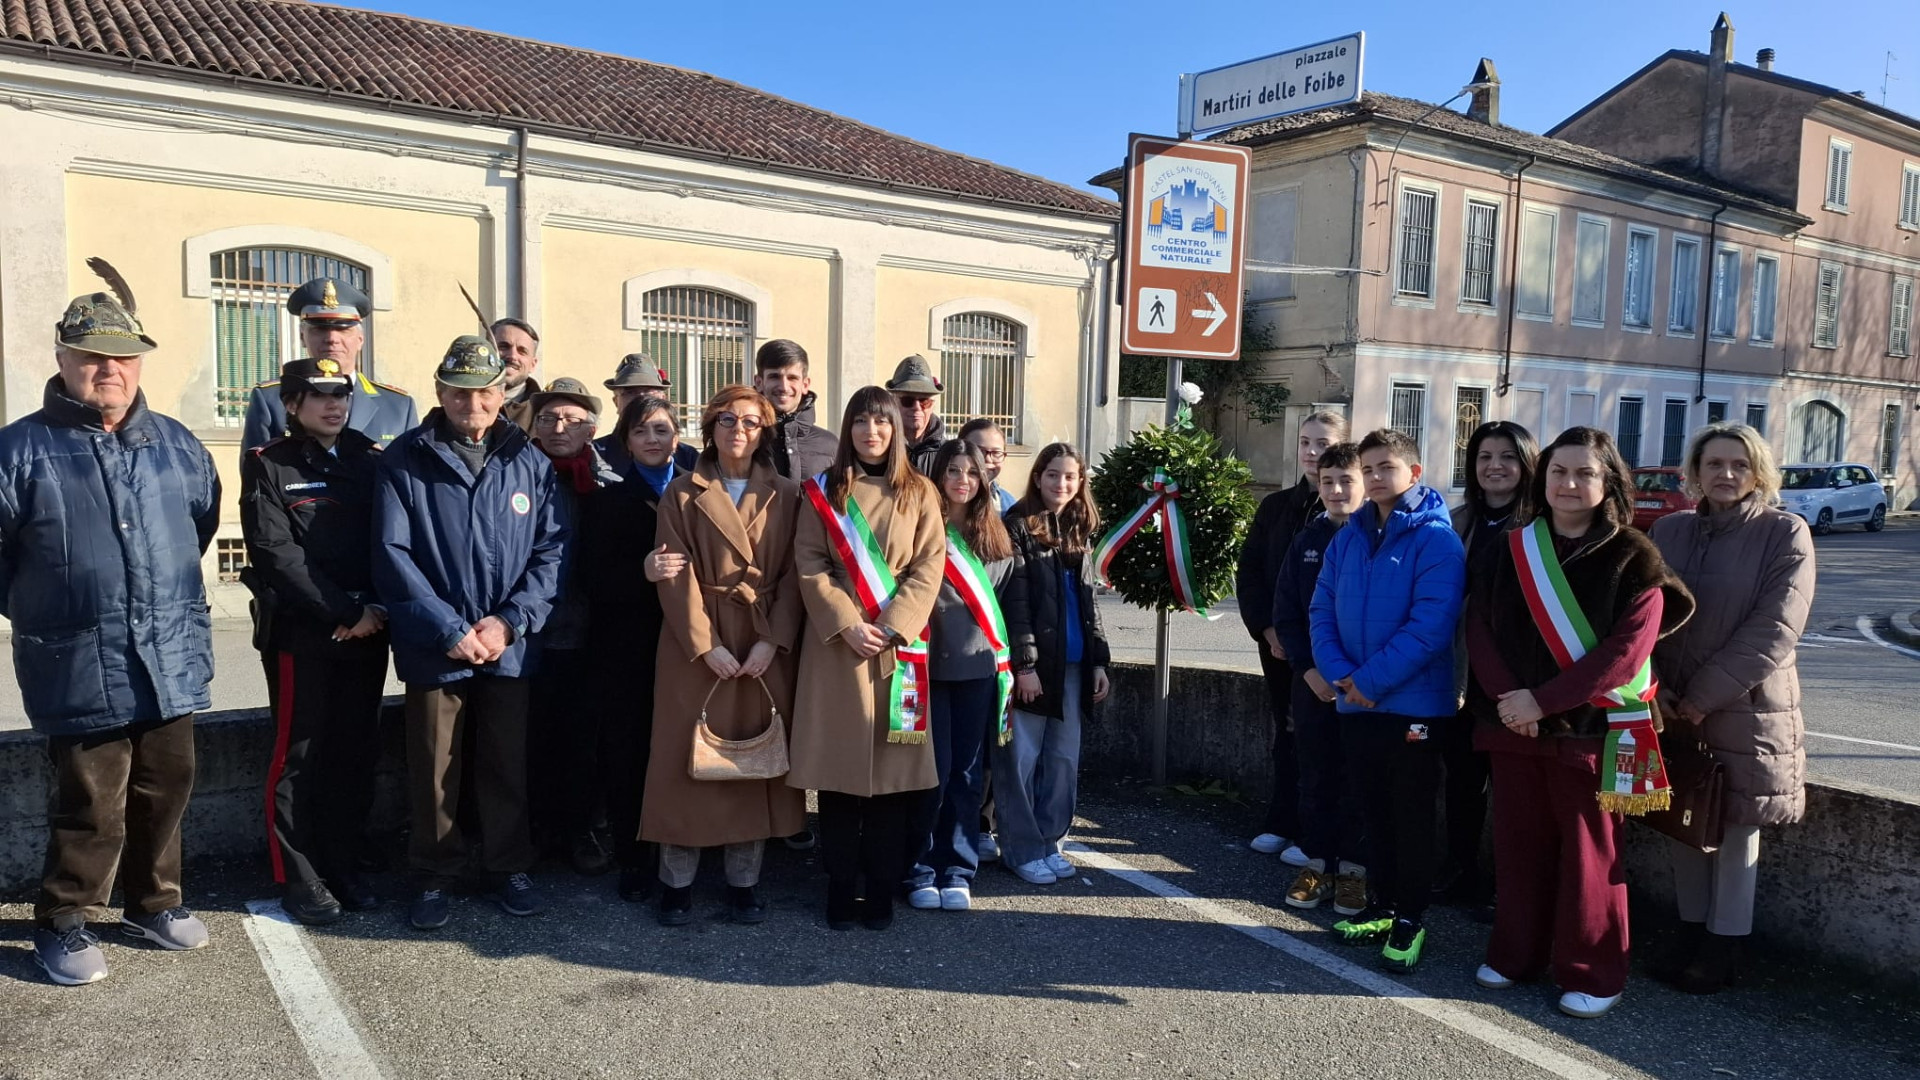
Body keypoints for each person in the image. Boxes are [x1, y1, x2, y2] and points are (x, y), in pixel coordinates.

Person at [7, 263, 220, 985]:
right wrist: (51, 605)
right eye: (92, 355)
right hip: (79, 658)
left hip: (170, 651)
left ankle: (153, 903)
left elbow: (200, 522)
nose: (109, 369)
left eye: (123, 356)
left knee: (169, 783)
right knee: (91, 801)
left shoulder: (177, 444)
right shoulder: (19, 451)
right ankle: (62, 922)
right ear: (62, 359)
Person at [1467, 426, 1693, 1019]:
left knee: (1593, 857)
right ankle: (1516, 954)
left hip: (1595, 730)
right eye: (1559, 471)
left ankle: (1593, 971)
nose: (1569, 483)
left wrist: (1543, 703)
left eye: (1585, 473)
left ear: (1608, 481)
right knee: (1518, 848)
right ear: (1542, 480)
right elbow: (1479, 629)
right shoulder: (1507, 549)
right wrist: (1510, 701)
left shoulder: (1635, 557)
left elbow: (1625, 651)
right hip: (1513, 725)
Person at [373, 335, 568, 932]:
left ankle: (508, 864)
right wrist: (450, 629)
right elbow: (391, 554)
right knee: (435, 768)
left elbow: (552, 551)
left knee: (506, 761)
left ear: (502, 394)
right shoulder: (404, 459)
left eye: (485, 392)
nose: (473, 404)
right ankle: (435, 874)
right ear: (440, 392)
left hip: (508, 644)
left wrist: (509, 623)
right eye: (460, 393)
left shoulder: (529, 460)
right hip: (437, 647)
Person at [1649, 422, 1814, 995]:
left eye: (1738, 465)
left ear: (1759, 471)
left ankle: (1724, 945)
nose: (1725, 475)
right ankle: (1689, 930)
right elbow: (1644, 616)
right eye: (1713, 463)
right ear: (1694, 470)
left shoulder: (1784, 532)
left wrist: (1698, 697)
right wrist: (1657, 687)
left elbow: (1774, 630)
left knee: (1738, 827)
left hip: (1748, 708)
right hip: (1671, 706)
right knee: (1682, 821)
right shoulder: (1668, 530)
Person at [639, 386, 807, 925]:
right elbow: (674, 572)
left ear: (765, 432)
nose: (739, 430)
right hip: (696, 643)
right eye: (728, 420)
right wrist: (703, 643)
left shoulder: (787, 493)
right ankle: (676, 884)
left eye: (752, 422)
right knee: (683, 760)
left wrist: (771, 640)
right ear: (711, 426)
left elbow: (795, 577)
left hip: (760, 640)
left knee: (749, 759)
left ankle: (743, 882)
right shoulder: (683, 493)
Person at [239, 358, 390, 926]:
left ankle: (343, 862)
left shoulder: (369, 460)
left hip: (368, 630)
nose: (333, 404)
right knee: (298, 755)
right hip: (305, 634)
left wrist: (373, 609)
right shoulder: (270, 465)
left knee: (355, 750)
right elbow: (278, 554)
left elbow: (391, 539)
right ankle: (298, 875)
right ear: (293, 405)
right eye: (318, 395)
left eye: (341, 394)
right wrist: (347, 610)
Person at [789, 386, 945, 931]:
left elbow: (929, 566)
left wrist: (892, 625)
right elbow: (810, 563)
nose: (871, 432)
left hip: (899, 652)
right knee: (837, 783)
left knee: (891, 786)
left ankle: (879, 889)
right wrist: (846, 623)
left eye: (881, 423)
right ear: (848, 429)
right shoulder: (821, 493)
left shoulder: (921, 492)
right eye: (860, 421)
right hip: (839, 653)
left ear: (895, 431)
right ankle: (838, 888)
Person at [1308, 428, 1464, 973]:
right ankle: (1381, 904)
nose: (1374, 478)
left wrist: (1366, 682)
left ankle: (1410, 918)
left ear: (1414, 474)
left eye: (1385, 468)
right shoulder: (1349, 535)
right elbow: (1321, 608)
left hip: (1412, 706)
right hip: (1356, 699)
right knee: (1373, 809)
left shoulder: (1437, 540)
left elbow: (1430, 628)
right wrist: (1339, 673)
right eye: (1367, 469)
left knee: (1411, 814)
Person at [905, 439, 1023, 913]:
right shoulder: (918, 528)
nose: (962, 480)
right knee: (926, 773)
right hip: (925, 669)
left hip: (977, 669)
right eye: (952, 470)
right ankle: (918, 867)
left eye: (971, 472)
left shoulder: (994, 537)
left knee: (967, 773)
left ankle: (958, 867)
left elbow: (1006, 605)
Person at [580, 395, 682, 901]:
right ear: (626, 441)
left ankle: (679, 849)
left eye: (661, 430)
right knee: (629, 751)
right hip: (627, 645)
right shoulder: (608, 498)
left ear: (677, 438)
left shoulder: (693, 492)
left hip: (687, 641)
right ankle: (634, 858)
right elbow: (590, 578)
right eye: (641, 432)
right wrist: (639, 573)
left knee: (678, 749)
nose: (652, 440)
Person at [995, 442, 1112, 886]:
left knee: (1062, 760)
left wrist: (1099, 661)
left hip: (1075, 666)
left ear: (1081, 482)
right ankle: (1021, 849)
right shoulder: (1016, 526)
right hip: (1035, 668)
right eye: (1053, 475)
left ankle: (1051, 842)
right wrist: (1023, 666)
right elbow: (1016, 604)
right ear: (1038, 476)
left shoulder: (1080, 527)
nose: (1061, 484)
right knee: (1021, 761)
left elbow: (1090, 605)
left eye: (1070, 476)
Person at [1238, 410, 1348, 861]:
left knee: (1325, 741)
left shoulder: (1347, 512)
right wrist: (1266, 628)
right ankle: (1282, 819)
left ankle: (1317, 833)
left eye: (1322, 444)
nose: (1312, 452)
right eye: (1306, 442)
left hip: (1329, 650)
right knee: (1286, 732)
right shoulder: (1276, 506)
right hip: (1280, 645)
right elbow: (1253, 572)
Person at [523, 378, 621, 874]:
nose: (559, 428)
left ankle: (580, 830)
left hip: (588, 632)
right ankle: (537, 833)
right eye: (548, 419)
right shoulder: (514, 475)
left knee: (584, 739)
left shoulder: (606, 482)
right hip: (528, 631)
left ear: (591, 430)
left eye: (572, 420)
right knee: (532, 738)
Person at [1443, 421, 1538, 911]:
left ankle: (1514, 889)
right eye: (1484, 456)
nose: (1495, 466)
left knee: (1515, 794)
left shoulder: (1541, 526)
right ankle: (1462, 873)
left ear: (1526, 464)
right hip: (1463, 677)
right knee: (1461, 783)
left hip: (1518, 683)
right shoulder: (1457, 521)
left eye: (1507, 456)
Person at [1271, 443, 1368, 917]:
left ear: (1366, 483)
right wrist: (1307, 670)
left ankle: (1353, 870)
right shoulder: (1307, 540)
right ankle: (1318, 864)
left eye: (1346, 480)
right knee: (1316, 777)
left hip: (1366, 688)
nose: (1335, 490)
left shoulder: (1380, 538)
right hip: (1312, 684)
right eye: (1327, 481)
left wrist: (1363, 679)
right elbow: (1288, 612)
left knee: (1359, 777)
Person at [240, 277, 417, 454]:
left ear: (360, 339)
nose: (332, 339)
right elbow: (255, 473)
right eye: (319, 329)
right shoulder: (271, 400)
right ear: (303, 337)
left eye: (343, 330)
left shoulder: (398, 407)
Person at [595, 353, 699, 471]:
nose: (640, 399)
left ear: (662, 399)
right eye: (630, 392)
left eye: (648, 392)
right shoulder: (596, 454)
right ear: (616, 402)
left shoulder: (687, 457)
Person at [755, 338, 837, 484]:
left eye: (792, 378)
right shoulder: (741, 439)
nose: (784, 387)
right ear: (759, 382)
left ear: (805, 384)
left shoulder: (830, 445)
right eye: (775, 377)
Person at [886, 354, 946, 475]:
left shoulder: (948, 454)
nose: (917, 407)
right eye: (907, 401)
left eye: (924, 401)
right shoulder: (882, 448)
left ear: (932, 405)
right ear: (893, 402)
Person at [492, 317, 543, 432]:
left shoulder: (545, 416)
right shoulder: (461, 402)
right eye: (503, 347)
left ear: (533, 364)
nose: (512, 356)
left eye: (522, 351)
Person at [958, 417, 1019, 512]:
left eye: (996, 453)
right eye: (979, 451)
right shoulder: (941, 501)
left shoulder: (1009, 505)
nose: (988, 459)